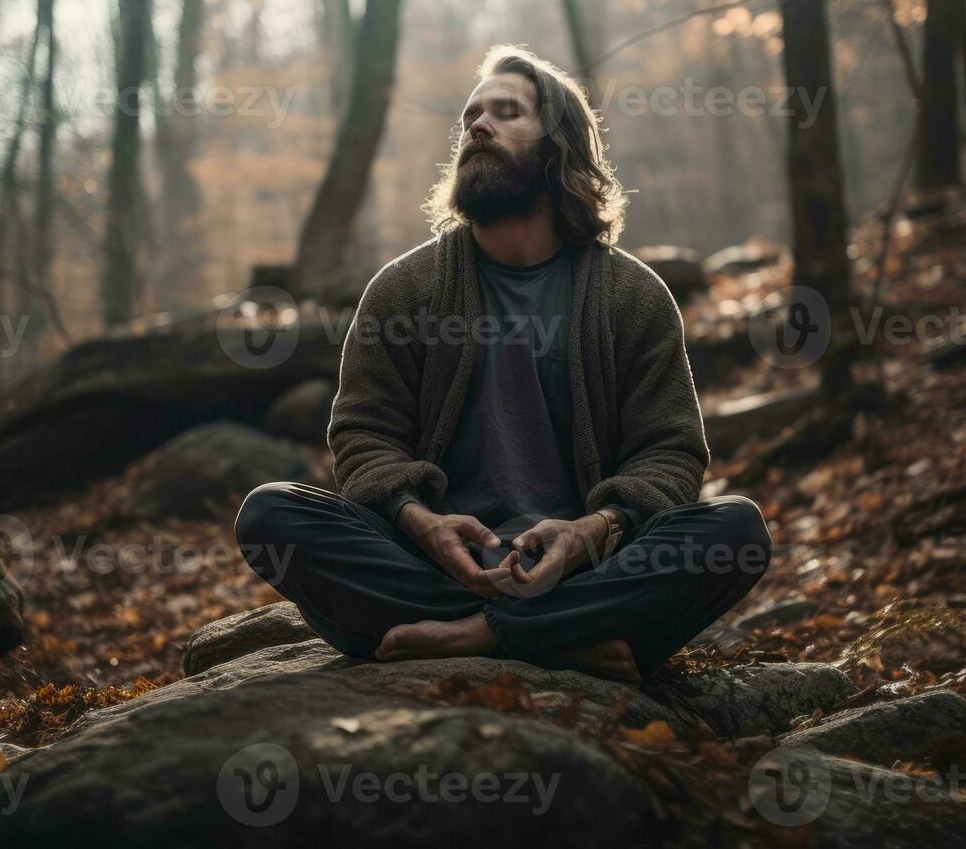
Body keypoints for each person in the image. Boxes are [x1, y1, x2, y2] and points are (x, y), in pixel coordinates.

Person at [236, 45, 771, 685]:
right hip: (429, 565)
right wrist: (423, 524)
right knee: (272, 513)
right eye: (469, 119)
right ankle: (560, 638)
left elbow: (672, 454)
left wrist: (592, 533)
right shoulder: (404, 290)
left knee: (737, 528)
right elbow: (361, 438)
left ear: (558, 146)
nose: (478, 127)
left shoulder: (633, 297)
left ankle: (472, 636)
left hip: (585, 570)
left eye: (506, 112)